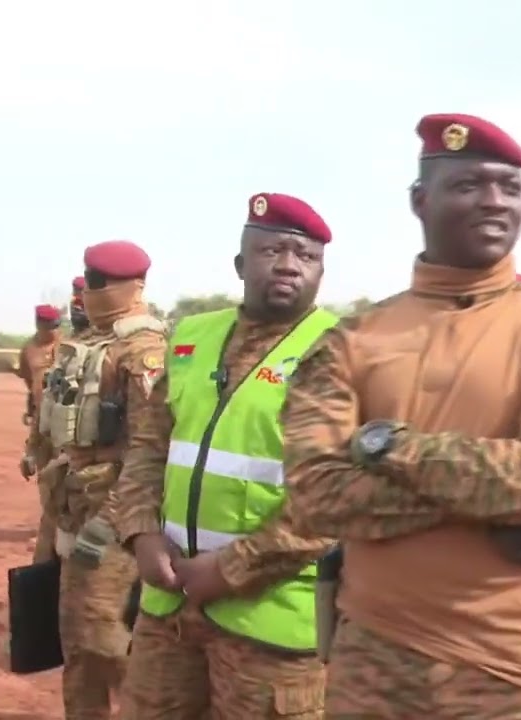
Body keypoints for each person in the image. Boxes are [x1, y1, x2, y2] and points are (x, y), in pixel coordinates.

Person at [278, 113, 521, 718]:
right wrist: (487, 499)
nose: (494, 201)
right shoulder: (353, 341)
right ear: (420, 199)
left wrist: (387, 446)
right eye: (469, 185)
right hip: (375, 669)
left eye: (509, 187)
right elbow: (314, 496)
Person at [114, 192, 338, 719]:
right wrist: (141, 533)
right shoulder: (191, 336)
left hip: (272, 620)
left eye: (306, 257)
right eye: (272, 251)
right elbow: (150, 445)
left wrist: (230, 569)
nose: (288, 266)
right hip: (169, 605)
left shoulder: (341, 351)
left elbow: (335, 498)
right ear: (241, 263)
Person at [38, 240, 167, 719]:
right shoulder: (91, 344)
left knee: (107, 642)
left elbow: (149, 451)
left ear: (130, 287)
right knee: (76, 646)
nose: (89, 292)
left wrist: (110, 522)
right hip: (70, 506)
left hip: (113, 522)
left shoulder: (145, 350)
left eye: (97, 282)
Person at [18, 303, 64, 561]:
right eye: (49, 327)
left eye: (57, 327)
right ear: (39, 324)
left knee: (67, 473)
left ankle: (59, 528)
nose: (54, 332)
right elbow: (30, 381)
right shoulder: (29, 349)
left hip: (66, 417)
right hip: (41, 417)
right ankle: (48, 526)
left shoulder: (68, 345)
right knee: (44, 472)